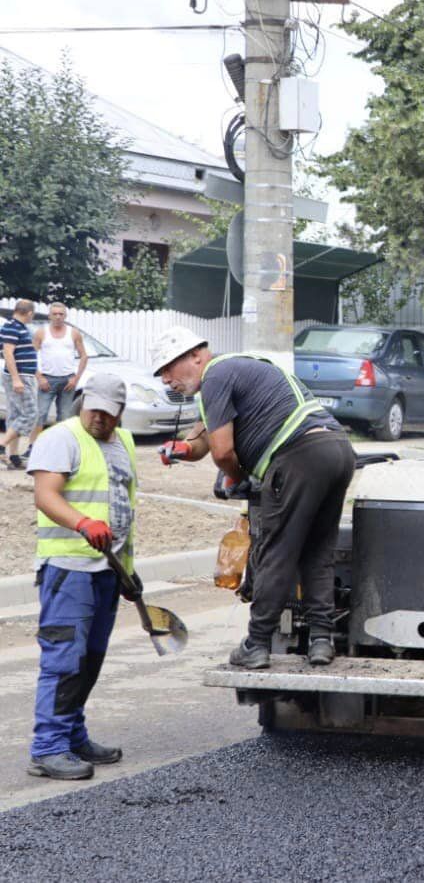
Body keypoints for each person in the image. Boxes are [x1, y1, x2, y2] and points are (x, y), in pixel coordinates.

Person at [149, 327, 355, 670]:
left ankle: (257, 643)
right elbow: (203, 440)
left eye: (169, 368)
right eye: (161, 374)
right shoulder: (234, 370)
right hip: (336, 451)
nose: (167, 380)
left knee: (276, 553)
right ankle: (322, 640)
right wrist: (183, 449)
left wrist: (238, 475)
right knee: (317, 551)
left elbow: (223, 450)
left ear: (196, 356)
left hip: (298, 455)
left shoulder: (215, 375)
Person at [26, 372, 139, 780]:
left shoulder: (124, 443)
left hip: (106, 571)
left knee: (90, 658)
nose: (100, 419)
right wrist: (82, 523)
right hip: (68, 568)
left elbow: (123, 507)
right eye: (94, 410)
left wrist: (127, 570)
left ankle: (72, 735)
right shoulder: (61, 437)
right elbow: (46, 495)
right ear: (81, 402)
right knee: (64, 660)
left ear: (120, 413)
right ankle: (48, 746)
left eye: (109, 414)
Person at [34, 302, 88, 430]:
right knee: (40, 415)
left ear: (65, 316)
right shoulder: (41, 332)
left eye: (61, 314)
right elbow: (31, 357)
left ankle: (61, 445)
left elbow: (84, 356)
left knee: (65, 417)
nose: (58, 317)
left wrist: (76, 378)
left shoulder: (73, 333)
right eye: (55, 314)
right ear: (49, 316)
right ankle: (33, 446)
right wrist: (39, 377)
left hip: (67, 380)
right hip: (47, 379)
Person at [3, 299, 40, 469]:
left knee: (16, 414)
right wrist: (16, 378)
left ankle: (14, 455)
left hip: (24, 375)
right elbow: (8, 353)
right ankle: (2, 445)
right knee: (30, 414)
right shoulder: (13, 327)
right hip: (20, 376)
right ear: (30, 313)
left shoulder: (16, 326)